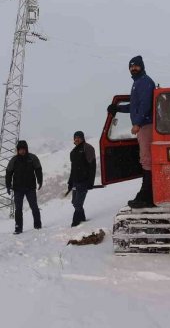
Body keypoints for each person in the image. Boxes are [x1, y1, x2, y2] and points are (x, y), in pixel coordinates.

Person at [107, 55, 156, 208]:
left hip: (146, 125)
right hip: (143, 125)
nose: (133, 68)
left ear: (142, 66)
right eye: (131, 66)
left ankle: (147, 195)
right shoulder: (137, 83)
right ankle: (147, 193)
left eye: (136, 66)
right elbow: (134, 106)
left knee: (147, 159)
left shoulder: (145, 82)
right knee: (145, 158)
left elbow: (145, 105)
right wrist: (118, 108)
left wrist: (138, 123)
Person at [6, 140, 43, 234]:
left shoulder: (32, 158)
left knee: (34, 207)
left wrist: (40, 181)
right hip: (18, 189)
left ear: (26, 149)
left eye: (23, 149)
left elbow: (38, 169)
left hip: (30, 188)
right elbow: (8, 172)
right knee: (18, 209)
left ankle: (38, 225)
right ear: (17, 150)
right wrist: (8, 185)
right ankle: (18, 228)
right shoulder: (14, 160)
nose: (22, 151)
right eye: (20, 150)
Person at [67, 131, 97, 227]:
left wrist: (90, 182)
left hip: (84, 181)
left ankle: (75, 222)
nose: (77, 139)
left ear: (83, 138)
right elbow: (73, 168)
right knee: (74, 202)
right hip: (75, 182)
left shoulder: (87, 148)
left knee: (78, 203)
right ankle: (82, 218)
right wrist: (70, 182)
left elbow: (92, 166)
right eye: (75, 137)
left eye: (79, 137)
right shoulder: (73, 152)